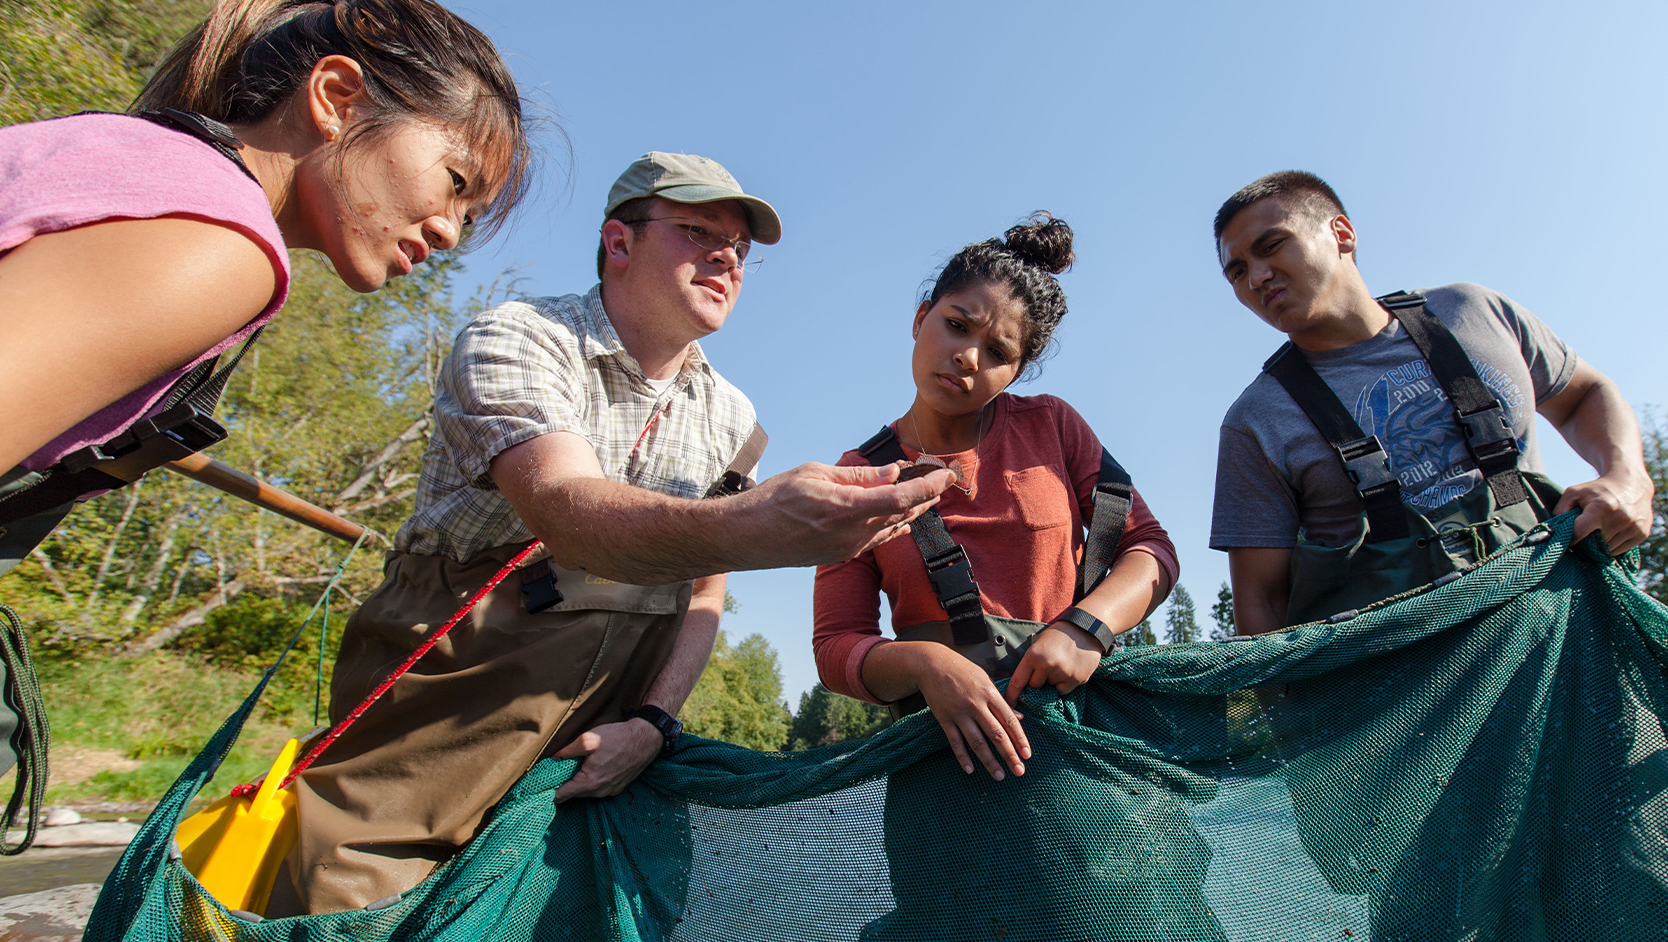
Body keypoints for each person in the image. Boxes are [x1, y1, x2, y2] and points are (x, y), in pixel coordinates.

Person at [274, 152, 954, 915]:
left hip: (615, 731)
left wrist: (655, 724)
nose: (726, 258)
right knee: (347, 908)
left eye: (739, 249)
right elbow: (568, 515)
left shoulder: (734, 418)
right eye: (699, 231)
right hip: (445, 700)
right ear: (618, 242)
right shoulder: (518, 338)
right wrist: (765, 528)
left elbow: (704, 586)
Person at [0, 0, 530, 781]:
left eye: (470, 215)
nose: (450, 231)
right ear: (336, 97)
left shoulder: (147, 162)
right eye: (455, 183)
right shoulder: (221, 241)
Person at [812, 216, 1193, 941]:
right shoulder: (857, 476)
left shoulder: (1054, 426)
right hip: (944, 775)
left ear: (1018, 371)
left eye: (998, 352)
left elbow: (1151, 549)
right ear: (921, 317)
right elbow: (836, 649)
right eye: (956, 326)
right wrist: (926, 665)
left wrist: (1087, 626)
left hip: (1087, 759)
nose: (967, 357)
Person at [1210, 170, 1653, 633]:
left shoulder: (1475, 312)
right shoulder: (1254, 421)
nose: (1257, 277)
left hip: (1569, 638)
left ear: (1341, 234)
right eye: (1237, 271)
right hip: (1406, 692)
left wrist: (1628, 478)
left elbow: (1583, 394)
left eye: (1271, 245)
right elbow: (1261, 602)